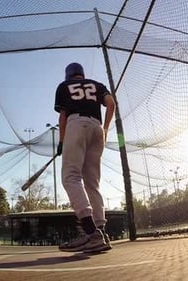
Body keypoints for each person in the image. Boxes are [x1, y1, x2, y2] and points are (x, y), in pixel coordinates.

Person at [54, 62, 116, 252]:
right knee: (92, 183)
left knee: (70, 177)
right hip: (97, 129)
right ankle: (101, 233)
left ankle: (91, 232)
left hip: (76, 124)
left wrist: (62, 142)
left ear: (68, 75)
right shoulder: (97, 84)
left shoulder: (64, 86)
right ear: (82, 74)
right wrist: (105, 129)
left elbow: (62, 117)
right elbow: (111, 104)